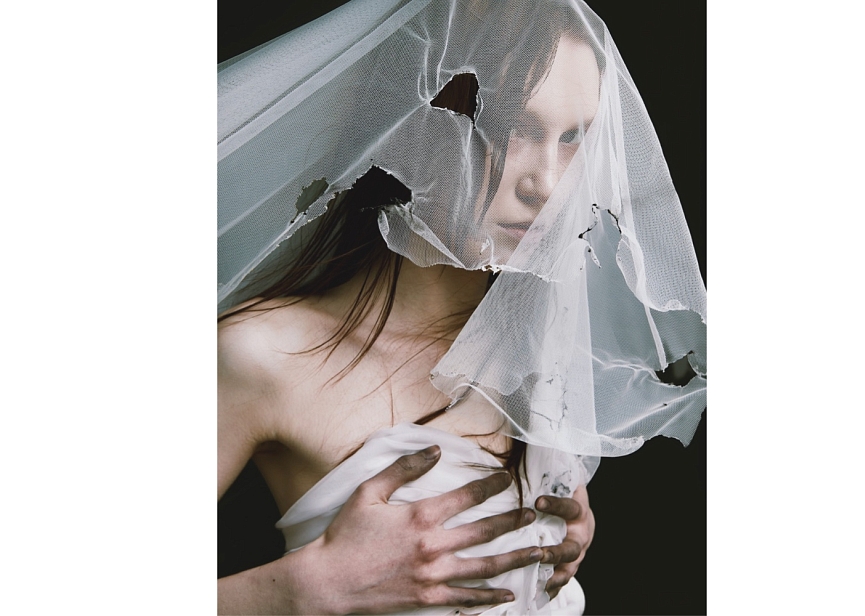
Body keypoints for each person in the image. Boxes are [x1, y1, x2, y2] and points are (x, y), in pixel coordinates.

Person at [218, 0, 706, 613]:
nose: (546, 184)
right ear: (413, 125)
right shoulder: (264, 355)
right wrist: (307, 587)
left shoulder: (537, 343)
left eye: (573, 137)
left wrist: (544, 529)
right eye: (515, 129)